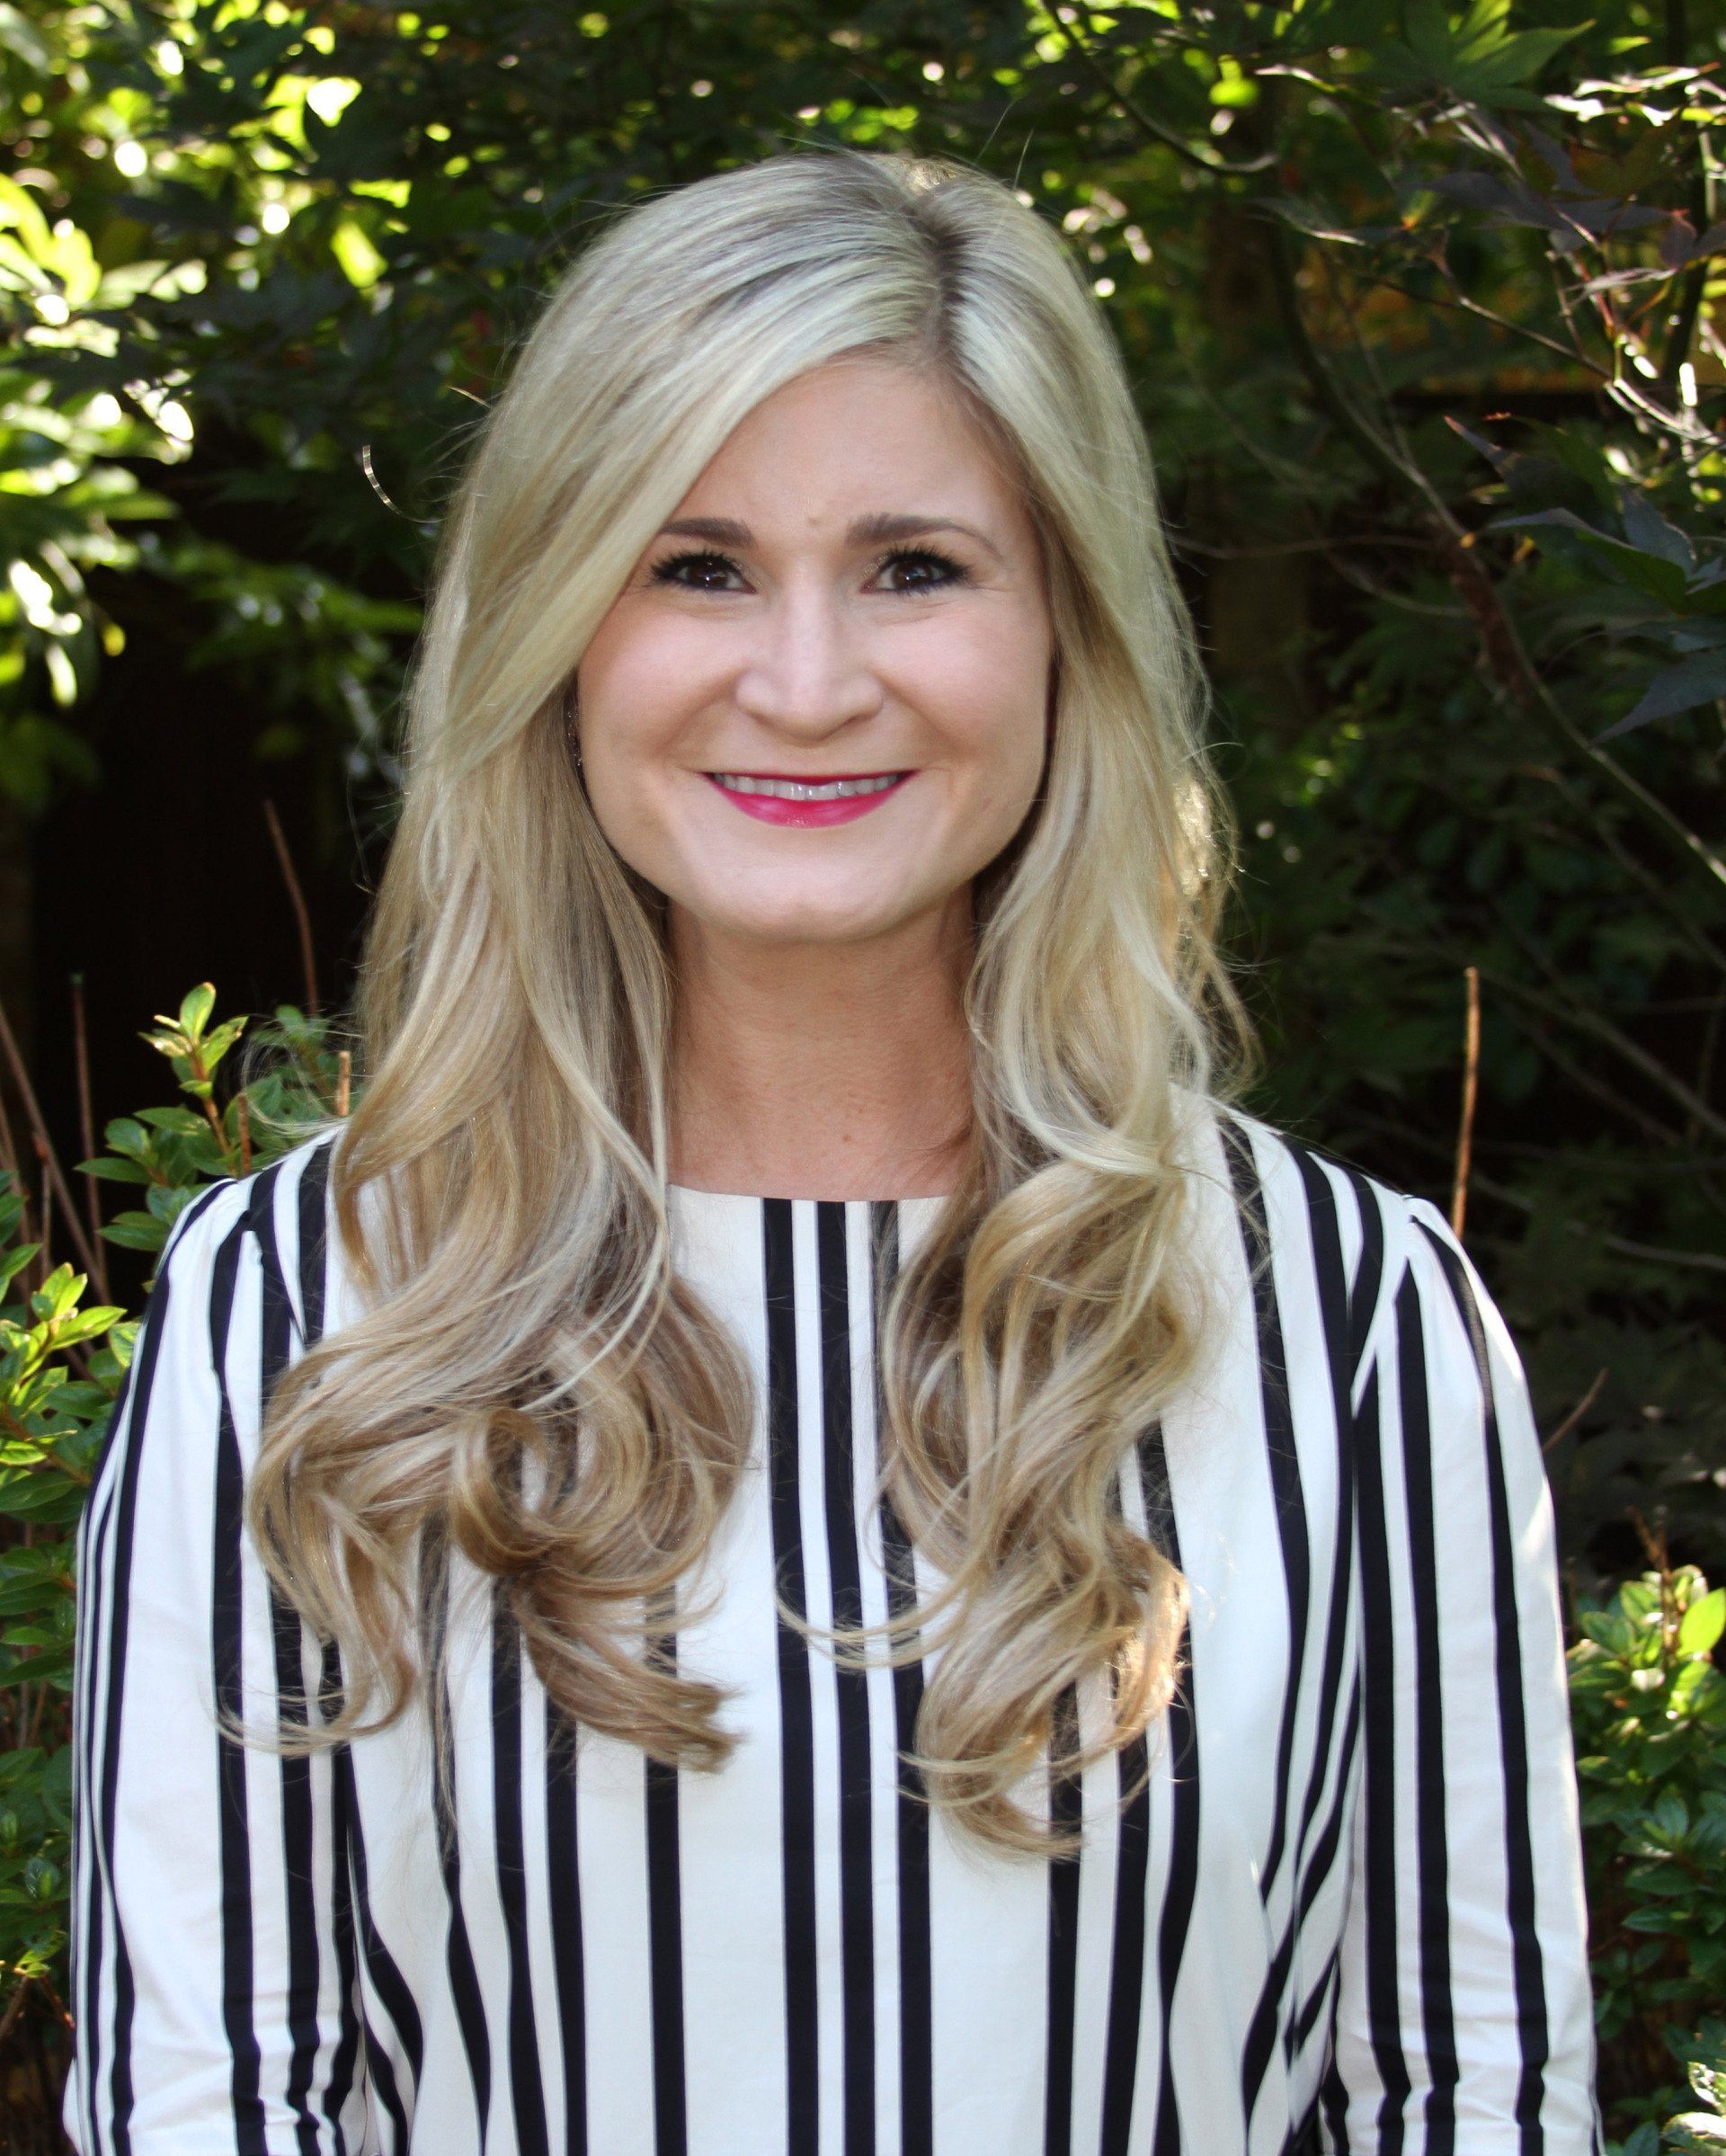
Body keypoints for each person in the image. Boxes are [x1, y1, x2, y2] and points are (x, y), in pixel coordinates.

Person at [64, 148, 1602, 2156]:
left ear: (1070, 633)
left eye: (916, 566)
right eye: (694, 566)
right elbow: (215, 2099)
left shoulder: (1360, 1322)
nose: (802, 683)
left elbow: (1461, 2092)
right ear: (556, 631)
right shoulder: (305, 1305)